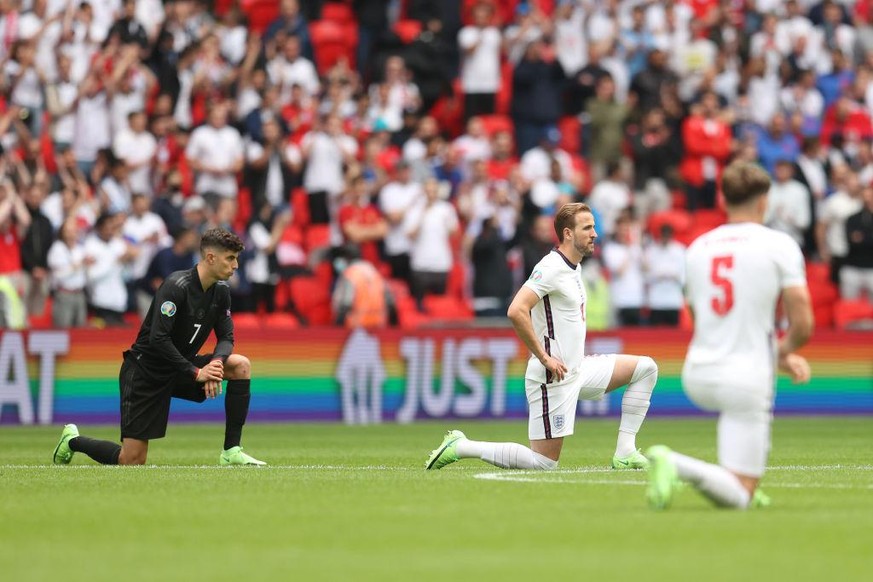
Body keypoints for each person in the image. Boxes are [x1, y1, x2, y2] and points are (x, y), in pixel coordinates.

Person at [426, 203, 657, 471]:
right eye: (588, 228)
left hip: (576, 370)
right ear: (568, 233)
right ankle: (461, 446)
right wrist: (544, 357)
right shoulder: (550, 267)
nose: (595, 233)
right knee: (544, 463)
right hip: (552, 378)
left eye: (594, 227)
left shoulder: (574, 267)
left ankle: (625, 452)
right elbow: (516, 309)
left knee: (646, 368)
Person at [646, 162, 813, 510]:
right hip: (746, 377)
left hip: (698, 373)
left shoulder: (697, 248)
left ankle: (734, 477)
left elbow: (697, 317)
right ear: (764, 201)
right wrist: (783, 352)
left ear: (722, 198)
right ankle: (676, 463)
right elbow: (803, 323)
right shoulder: (779, 245)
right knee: (741, 496)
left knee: (738, 474)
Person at [52, 228, 266, 467]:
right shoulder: (176, 286)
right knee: (132, 460)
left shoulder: (222, 292)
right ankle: (72, 440)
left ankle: (231, 451)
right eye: (230, 258)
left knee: (240, 366)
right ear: (210, 258)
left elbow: (226, 336)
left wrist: (215, 364)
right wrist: (197, 372)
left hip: (179, 368)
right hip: (146, 372)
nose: (236, 265)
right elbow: (158, 339)